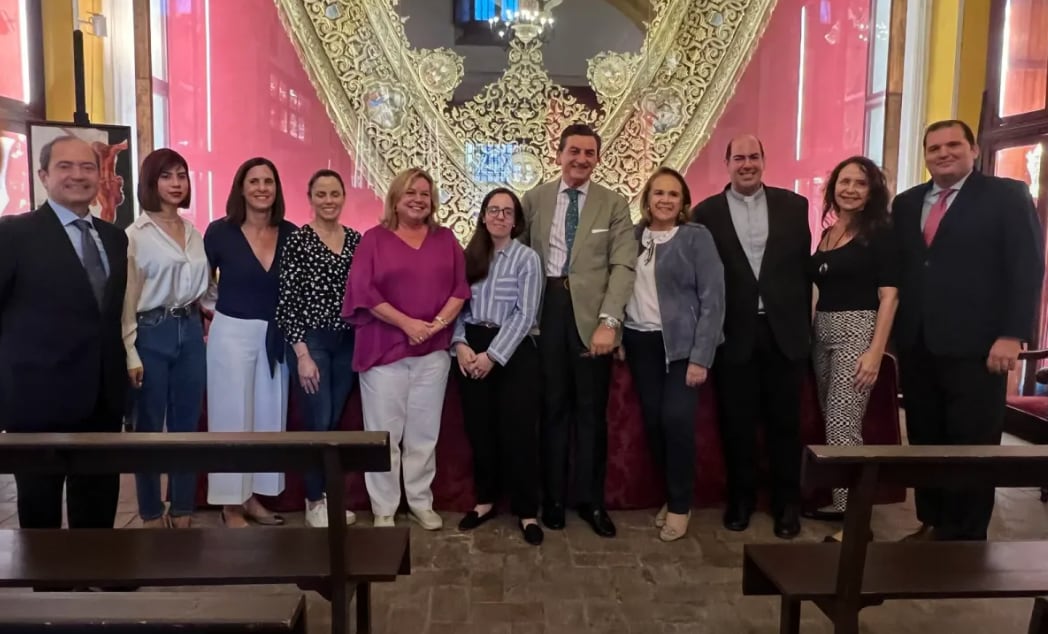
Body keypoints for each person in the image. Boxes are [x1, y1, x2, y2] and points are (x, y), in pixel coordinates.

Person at [894, 120, 1044, 542]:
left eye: (953, 145)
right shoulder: (907, 204)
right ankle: (933, 522)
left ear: (974, 150)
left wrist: (1013, 334)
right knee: (926, 438)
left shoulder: (1007, 197)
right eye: (933, 147)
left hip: (980, 346)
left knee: (972, 442)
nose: (943, 153)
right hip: (919, 343)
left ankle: (966, 537)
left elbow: (1026, 269)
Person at [0, 135, 128, 532]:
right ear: (43, 175)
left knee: (99, 497)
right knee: (41, 509)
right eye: (65, 167)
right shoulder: (13, 235)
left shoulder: (114, 238)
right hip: (38, 398)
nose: (78, 175)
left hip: (103, 394)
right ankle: (49, 588)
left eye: (87, 167)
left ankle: (99, 578)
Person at [691, 134, 811, 539]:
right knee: (737, 424)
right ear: (727, 163)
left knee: (785, 425)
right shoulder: (705, 213)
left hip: (784, 334)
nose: (747, 163)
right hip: (733, 333)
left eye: (753, 156)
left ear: (764, 160)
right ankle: (740, 499)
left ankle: (786, 504)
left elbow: (801, 271)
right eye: (738, 157)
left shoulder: (795, 207)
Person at [520, 123, 637, 538]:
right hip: (545, 312)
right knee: (551, 411)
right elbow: (513, 253)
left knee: (590, 414)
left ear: (598, 158)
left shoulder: (614, 204)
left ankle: (590, 501)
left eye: (589, 153)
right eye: (574, 151)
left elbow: (623, 266)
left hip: (593, 320)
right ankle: (552, 500)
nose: (581, 159)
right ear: (559, 154)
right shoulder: (533, 200)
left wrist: (610, 322)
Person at [342, 167, 469, 530]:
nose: (418, 199)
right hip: (384, 350)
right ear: (395, 199)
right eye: (410, 192)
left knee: (423, 434)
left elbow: (460, 290)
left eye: (425, 194)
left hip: (432, 353)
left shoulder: (446, 239)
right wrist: (408, 324)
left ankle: (419, 501)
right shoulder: (374, 240)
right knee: (384, 434)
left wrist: (436, 326)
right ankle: (384, 507)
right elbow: (363, 293)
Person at [621, 167, 725, 542]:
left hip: (682, 346)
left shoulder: (696, 238)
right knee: (653, 424)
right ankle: (672, 494)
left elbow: (714, 299)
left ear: (683, 202)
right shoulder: (632, 236)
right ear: (647, 199)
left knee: (676, 421)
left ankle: (681, 505)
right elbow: (617, 285)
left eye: (673, 194)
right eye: (658, 193)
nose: (665, 200)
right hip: (640, 342)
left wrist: (701, 356)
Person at [807, 156, 899, 539]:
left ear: (871, 191)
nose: (850, 189)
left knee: (845, 426)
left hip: (857, 332)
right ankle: (843, 503)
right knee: (833, 421)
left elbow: (890, 295)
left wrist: (876, 352)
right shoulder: (828, 233)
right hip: (822, 334)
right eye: (844, 182)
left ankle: (857, 526)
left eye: (860, 184)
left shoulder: (880, 233)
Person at [204, 157, 297, 528]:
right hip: (231, 333)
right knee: (231, 419)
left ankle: (253, 497)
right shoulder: (220, 232)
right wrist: (217, 313)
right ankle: (230, 506)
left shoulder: (290, 232)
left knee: (266, 419)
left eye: (269, 182)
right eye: (254, 181)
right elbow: (201, 284)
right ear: (241, 187)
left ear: (277, 189)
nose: (262, 188)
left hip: (274, 336)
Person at [453, 187, 544, 546]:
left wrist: (493, 356)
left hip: (514, 350)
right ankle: (485, 501)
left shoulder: (527, 259)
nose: (500, 217)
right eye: (494, 210)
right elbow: (455, 307)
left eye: (507, 212)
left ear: (516, 220)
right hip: (471, 347)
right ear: (483, 215)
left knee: (519, 433)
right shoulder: (469, 256)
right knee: (480, 430)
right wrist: (460, 345)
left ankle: (526, 511)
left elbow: (526, 314)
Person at [124, 148, 210, 529]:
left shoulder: (194, 232)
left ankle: (182, 508)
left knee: (186, 426)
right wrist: (129, 350)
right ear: (151, 182)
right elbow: (127, 299)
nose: (176, 184)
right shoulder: (135, 235)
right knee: (147, 428)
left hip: (191, 330)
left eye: (182, 175)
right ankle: (149, 512)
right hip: (150, 331)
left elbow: (207, 292)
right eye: (167, 176)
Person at [277, 169, 362, 528]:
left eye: (335, 194)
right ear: (310, 198)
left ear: (344, 197)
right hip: (311, 343)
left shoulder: (356, 240)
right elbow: (287, 301)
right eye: (321, 194)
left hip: (347, 343)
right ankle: (314, 500)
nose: (329, 201)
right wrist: (302, 355)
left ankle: (328, 498)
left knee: (332, 423)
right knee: (317, 421)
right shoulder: (299, 241)